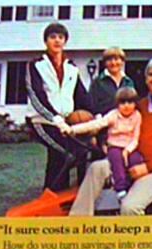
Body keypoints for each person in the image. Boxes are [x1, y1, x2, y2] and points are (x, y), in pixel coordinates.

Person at [70, 58, 152, 216]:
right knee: (97, 168)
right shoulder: (140, 105)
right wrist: (104, 141)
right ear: (146, 79)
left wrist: (147, 168)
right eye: (151, 74)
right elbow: (118, 123)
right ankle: (77, 222)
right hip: (132, 159)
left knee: (130, 207)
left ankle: (136, 233)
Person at [26, 22, 93, 191]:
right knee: (66, 153)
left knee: (78, 152)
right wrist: (55, 118)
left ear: (65, 41)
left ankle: (69, 193)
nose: (57, 40)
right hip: (41, 121)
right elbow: (36, 95)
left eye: (60, 37)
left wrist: (96, 115)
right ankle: (52, 193)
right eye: (52, 37)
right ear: (46, 41)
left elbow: (81, 95)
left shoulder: (71, 67)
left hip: (65, 122)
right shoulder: (35, 65)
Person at [63, 85, 145, 201]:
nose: (126, 106)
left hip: (130, 146)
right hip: (115, 146)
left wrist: (128, 150)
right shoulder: (113, 115)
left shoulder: (137, 116)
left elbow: (136, 138)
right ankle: (120, 189)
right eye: (122, 103)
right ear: (117, 104)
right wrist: (73, 129)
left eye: (130, 102)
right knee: (117, 161)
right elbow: (96, 124)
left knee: (136, 160)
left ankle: (134, 188)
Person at [87, 46, 136, 116]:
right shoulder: (97, 82)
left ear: (122, 62)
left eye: (116, 59)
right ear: (105, 63)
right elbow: (91, 105)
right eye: (109, 60)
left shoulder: (128, 82)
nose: (113, 63)